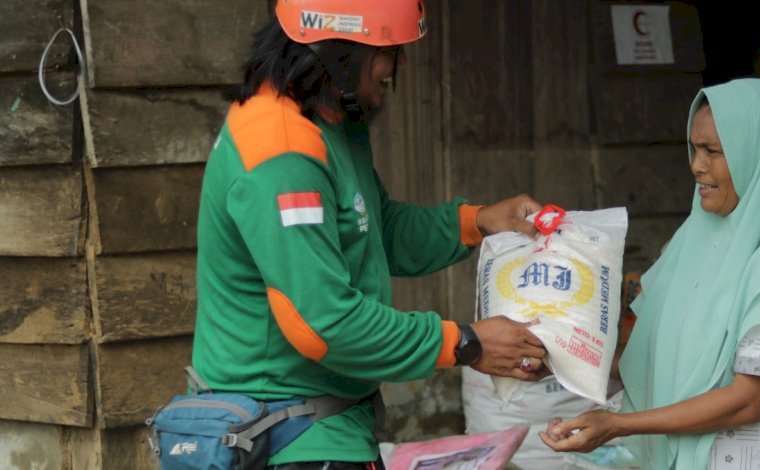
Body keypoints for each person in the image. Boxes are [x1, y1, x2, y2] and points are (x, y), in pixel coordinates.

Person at [190, 1, 549, 468]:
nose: (398, 65)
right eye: (388, 50)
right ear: (339, 48)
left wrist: (475, 222)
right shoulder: (282, 155)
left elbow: (375, 229)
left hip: (327, 423)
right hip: (282, 437)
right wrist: (465, 343)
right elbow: (325, 325)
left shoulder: (330, 118)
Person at [539, 78, 760, 469]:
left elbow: (749, 399)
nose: (695, 165)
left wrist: (619, 425)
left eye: (713, 151)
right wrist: (558, 358)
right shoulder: (695, 242)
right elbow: (655, 356)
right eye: (693, 148)